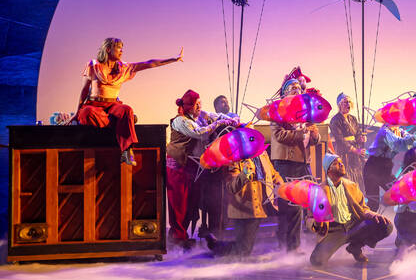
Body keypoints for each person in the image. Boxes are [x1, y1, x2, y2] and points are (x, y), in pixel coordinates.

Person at [75, 37, 182, 165]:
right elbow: (85, 89)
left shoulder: (123, 68)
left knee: (126, 110)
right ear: (108, 49)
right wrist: (77, 111)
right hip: (94, 105)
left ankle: (126, 151)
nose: (121, 51)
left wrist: (173, 59)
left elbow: (149, 63)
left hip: (112, 105)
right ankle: (118, 121)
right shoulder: (94, 65)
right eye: (118, 48)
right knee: (86, 113)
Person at [166, 89, 238, 248]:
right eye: (197, 104)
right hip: (178, 165)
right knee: (179, 203)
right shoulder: (180, 121)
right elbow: (199, 133)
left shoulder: (201, 115)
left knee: (192, 202)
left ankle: (184, 236)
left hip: (192, 166)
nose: (200, 107)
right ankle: (178, 237)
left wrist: (232, 120)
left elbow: (218, 116)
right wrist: (217, 124)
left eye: (200, 104)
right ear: (189, 106)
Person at [309, 154, 393, 266]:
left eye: (341, 162)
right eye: (336, 163)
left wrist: (372, 215)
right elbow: (310, 218)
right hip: (335, 230)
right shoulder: (319, 191)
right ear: (328, 169)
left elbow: (363, 208)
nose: (341, 164)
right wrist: (317, 224)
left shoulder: (351, 186)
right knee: (317, 261)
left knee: (385, 225)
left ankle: (355, 247)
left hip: (354, 226)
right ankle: (337, 244)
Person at [270, 77, 321, 252]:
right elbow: (279, 136)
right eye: (292, 87)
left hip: (303, 162)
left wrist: (314, 134)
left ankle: (307, 240)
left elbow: (314, 138)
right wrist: (301, 134)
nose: (297, 89)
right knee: (290, 205)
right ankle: (290, 246)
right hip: (286, 163)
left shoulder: (305, 112)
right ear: (284, 92)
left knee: (314, 197)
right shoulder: (277, 110)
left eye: (299, 87)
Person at [223, 155, 283, 257]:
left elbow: (272, 173)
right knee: (243, 249)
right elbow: (232, 187)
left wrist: (280, 182)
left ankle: (218, 247)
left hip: (258, 208)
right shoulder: (235, 156)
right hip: (242, 211)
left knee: (244, 248)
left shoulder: (262, 154)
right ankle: (218, 249)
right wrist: (245, 172)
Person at [363, 123, 416, 211]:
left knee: (401, 193)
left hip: (385, 170)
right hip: (373, 168)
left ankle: (406, 219)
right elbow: (399, 145)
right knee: (373, 203)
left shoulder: (399, 131)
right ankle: (365, 222)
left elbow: (414, 144)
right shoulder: (385, 131)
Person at [329, 93, 366, 188]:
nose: (348, 104)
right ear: (339, 105)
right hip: (344, 153)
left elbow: (357, 133)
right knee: (346, 178)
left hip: (355, 156)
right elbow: (340, 139)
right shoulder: (335, 120)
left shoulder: (353, 119)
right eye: (345, 102)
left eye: (349, 102)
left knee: (357, 177)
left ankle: (357, 199)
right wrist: (354, 150)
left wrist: (360, 138)